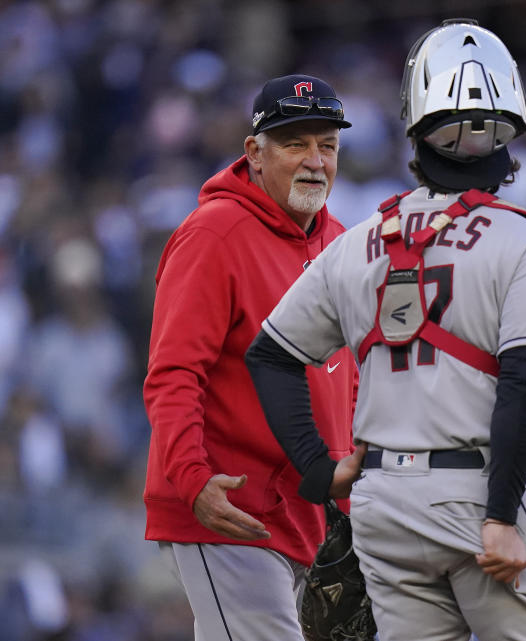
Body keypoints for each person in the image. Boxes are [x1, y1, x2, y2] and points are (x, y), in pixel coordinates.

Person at [246, 19, 526, 641]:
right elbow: (525, 385)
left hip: (383, 504)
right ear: (509, 135)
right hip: (477, 494)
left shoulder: (355, 244)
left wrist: (318, 471)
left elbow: (270, 355)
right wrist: (502, 515)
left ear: (416, 128)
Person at [142, 74, 363, 641]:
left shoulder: (339, 241)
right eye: (296, 144)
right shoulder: (214, 234)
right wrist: (193, 478)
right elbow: (173, 375)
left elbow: (351, 377)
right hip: (229, 507)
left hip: (310, 513)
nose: (315, 160)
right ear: (254, 153)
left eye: (328, 145)